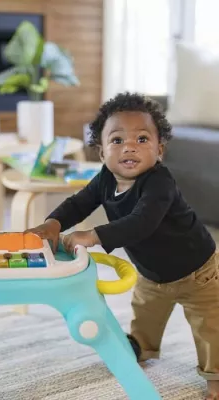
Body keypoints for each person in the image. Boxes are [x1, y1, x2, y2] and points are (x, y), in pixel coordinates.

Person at [26, 92, 219, 400]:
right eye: (117, 140)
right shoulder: (104, 179)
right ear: (101, 153)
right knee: (144, 312)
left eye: (142, 139)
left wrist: (93, 235)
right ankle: (141, 346)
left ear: (160, 150)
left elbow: (141, 223)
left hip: (198, 271)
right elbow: (78, 204)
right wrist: (53, 223)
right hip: (152, 273)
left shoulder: (160, 183)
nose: (129, 146)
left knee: (210, 327)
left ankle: (215, 379)